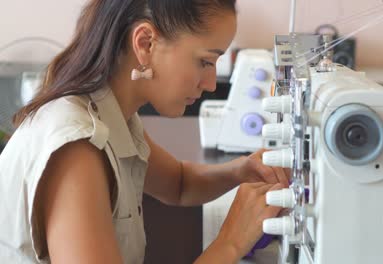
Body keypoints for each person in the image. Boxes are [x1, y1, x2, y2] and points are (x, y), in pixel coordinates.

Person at [0, 0, 290, 263]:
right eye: (205, 61)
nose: (212, 83)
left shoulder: (113, 115)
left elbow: (179, 184)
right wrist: (231, 242)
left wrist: (241, 170)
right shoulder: (77, 148)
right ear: (146, 43)